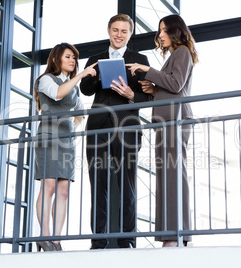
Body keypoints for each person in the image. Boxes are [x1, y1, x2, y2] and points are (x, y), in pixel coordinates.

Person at [80, 14, 152, 249]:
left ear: (130, 34)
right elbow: (86, 89)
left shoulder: (139, 59)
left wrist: (132, 95)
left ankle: (127, 240)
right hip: (98, 126)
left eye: (124, 31)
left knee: (127, 183)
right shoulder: (95, 59)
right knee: (98, 183)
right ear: (108, 31)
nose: (119, 35)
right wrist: (96, 74)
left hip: (127, 127)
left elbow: (149, 96)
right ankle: (98, 240)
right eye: (115, 30)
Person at [126, 14, 198, 247]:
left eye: (165, 30)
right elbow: (170, 88)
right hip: (166, 121)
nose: (160, 35)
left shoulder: (182, 52)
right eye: (160, 31)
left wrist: (148, 70)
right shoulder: (176, 55)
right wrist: (153, 88)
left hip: (175, 121)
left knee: (174, 177)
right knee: (167, 179)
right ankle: (172, 235)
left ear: (176, 31)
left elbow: (176, 84)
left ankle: (176, 236)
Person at [33, 42, 97, 251]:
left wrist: (70, 129)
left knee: (63, 191)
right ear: (56, 59)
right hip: (49, 138)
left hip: (66, 141)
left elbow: (80, 113)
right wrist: (79, 76)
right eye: (68, 57)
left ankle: (56, 240)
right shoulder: (45, 80)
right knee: (49, 186)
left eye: (74, 58)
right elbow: (58, 93)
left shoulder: (73, 86)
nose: (73, 61)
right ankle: (44, 236)